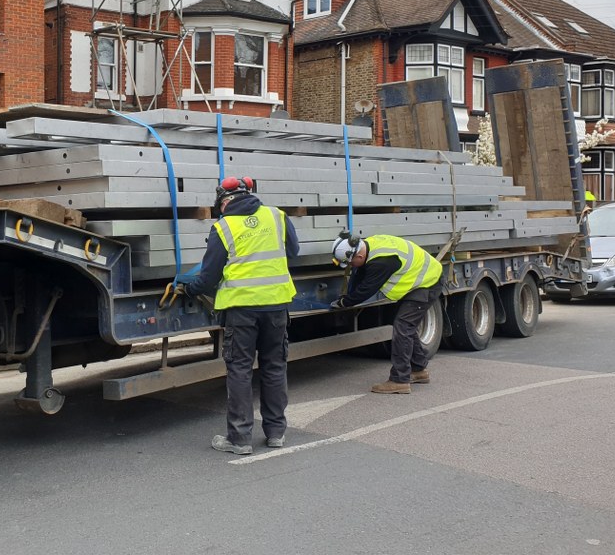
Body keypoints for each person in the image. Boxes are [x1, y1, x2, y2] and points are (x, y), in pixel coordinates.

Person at [176, 176, 300, 455]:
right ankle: (276, 433)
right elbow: (294, 251)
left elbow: (208, 279)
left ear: (224, 201)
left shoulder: (224, 227)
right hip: (277, 306)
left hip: (241, 310)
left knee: (240, 370)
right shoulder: (276, 216)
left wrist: (189, 288)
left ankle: (240, 438)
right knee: (274, 367)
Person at [330, 232, 443, 394]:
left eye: (351, 263)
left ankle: (400, 380)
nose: (352, 266)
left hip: (428, 282)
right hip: (419, 281)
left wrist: (344, 302)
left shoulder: (381, 263)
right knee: (407, 326)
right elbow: (359, 274)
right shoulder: (368, 246)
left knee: (403, 327)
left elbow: (366, 289)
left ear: (359, 255)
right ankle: (418, 370)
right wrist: (347, 295)